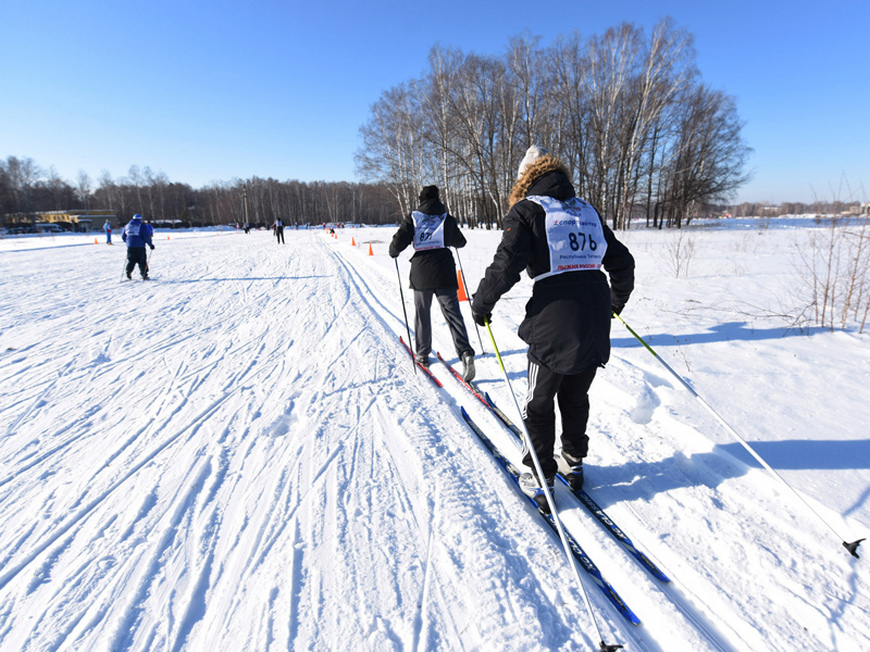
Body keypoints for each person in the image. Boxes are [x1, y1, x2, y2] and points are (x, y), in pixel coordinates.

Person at [470, 145, 634, 506]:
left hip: (552, 324)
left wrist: (480, 305)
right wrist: (615, 303)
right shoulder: (587, 211)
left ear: (525, 179)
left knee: (538, 403)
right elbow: (623, 263)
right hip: (593, 320)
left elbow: (505, 267)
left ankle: (539, 474)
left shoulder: (528, 210)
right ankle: (573, 462)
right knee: (575, 396)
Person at [390, 185, 476, 382]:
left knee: (422, 313)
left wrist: (393, 251)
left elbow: (398, 242)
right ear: (438, 199)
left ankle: (422, 353)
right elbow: (460, 242)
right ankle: (465, 353)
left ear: (421, 200)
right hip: (444, 271)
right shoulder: (445, 217)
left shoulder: (414, 218)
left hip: (422, 273)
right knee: (453, 314)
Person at [122, 213, 155, 280]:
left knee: (131, 260)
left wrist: (128, 242)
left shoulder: (127, 226)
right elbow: (146, 236)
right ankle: (144, 274)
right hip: (140, 246)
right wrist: (150, 245)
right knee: (142, 260)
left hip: (130, 246)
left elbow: (123, 236)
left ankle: (128, 271)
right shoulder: (142, 226)